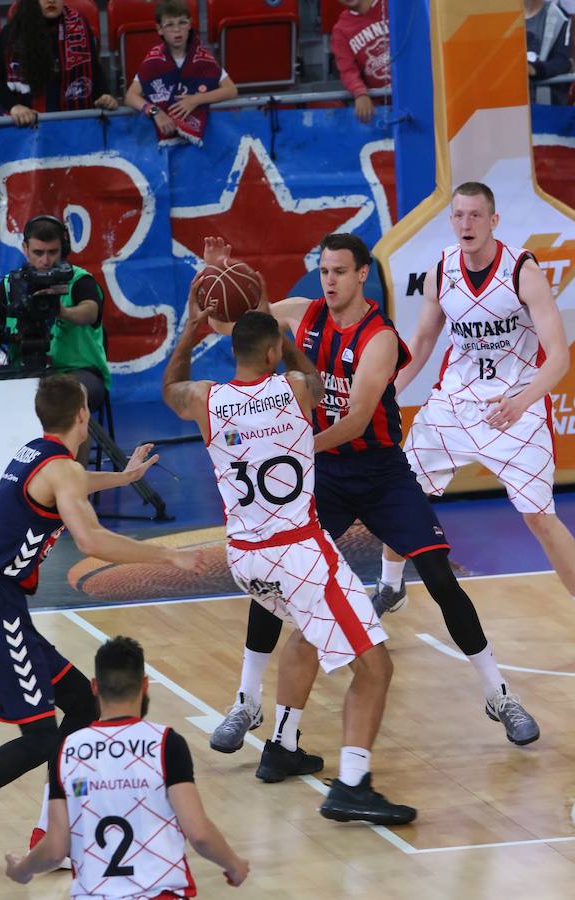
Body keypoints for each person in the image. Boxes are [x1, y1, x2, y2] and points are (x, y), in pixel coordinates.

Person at [205, 232, 541, 758]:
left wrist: (289, 448)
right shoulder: (304, 314)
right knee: (278, 574)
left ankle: (499, 695)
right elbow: (239, 320)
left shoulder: (379, 336)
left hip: (381, 471)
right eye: (324, 271)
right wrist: (220, 273)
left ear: (363, 274)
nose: (330, 281)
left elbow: (359, 416)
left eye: (340, 271)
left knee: (437, 572)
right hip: (325, 474)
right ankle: (246, 700)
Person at [162, 287, 416, 825]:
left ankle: (281, 745)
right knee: (375, 666)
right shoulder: (296, 390)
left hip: (245, 559)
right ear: (275, 351)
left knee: (306, 632)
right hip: (299, 553)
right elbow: (316, 379)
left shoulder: (207, 399)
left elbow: (170, 387)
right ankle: (352, 784)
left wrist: (188, 333)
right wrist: (287, 341)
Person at [0, 374, 200, 824]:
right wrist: (166, 557)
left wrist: (125, 476)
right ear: (83, 415)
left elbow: (71, 483)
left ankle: (52, 828)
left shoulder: (37, 453)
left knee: (82, 701)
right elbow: (92, 541)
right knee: (38, 737)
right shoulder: (62, 469)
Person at [377, 181, 575, 617]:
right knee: (400, 490)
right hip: (455, 404)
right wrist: (385, 394)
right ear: (451, 221)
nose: (466, 224)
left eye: (476, 215)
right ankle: (391, 586)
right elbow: (423, 342)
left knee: (539, 517)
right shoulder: (441, 272)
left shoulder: (523, 271)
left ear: (493, 221)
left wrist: (522, 401)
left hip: (515, 406)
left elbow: (558, 358)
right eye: (459, 215)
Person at [5, 635, 248, 895]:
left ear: (95, 687)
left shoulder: (68, 750)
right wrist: (234, 864)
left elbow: (54, 847)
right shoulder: (166, 744)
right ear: (145, 685)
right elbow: (199, 834)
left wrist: (22, 870)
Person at [0, 214, 110, 464]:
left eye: (52, 252)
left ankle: (72, 485)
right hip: (24, 372)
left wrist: (61, 310)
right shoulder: (11, 284)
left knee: (69, 398)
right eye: (38, 252)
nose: (45, 261)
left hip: (79, 372)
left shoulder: (80, 280)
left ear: (64, 249)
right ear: (25, 248)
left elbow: (90, 310)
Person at [0, 0, 118, 128]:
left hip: (72, 124)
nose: (51, 1)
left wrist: (104, 95)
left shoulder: (80, 26)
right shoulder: (10, 34)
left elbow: (94, 69)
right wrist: (14, 106)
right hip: (26, 126)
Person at [124, 0, 238, 146]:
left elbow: (231, 90)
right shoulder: (153, 60)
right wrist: (155, 112)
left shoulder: (203, 58)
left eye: (182, 23)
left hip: (199, 141)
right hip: (161, 141)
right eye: (170, 24)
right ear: (159, 29)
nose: (177, 30)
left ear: (190, 25)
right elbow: (130, 96)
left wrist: (196, 100)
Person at [331, 0, 391, 123]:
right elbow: (347, 70)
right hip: (384, 109)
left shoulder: (393, 6)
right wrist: (360, 93)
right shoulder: (340, 30)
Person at [525, 0, 572, 105]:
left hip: (545, 106)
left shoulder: (559, 15)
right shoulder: (498, 17)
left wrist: (534, 69)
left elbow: (563, 61)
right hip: (506, 105)